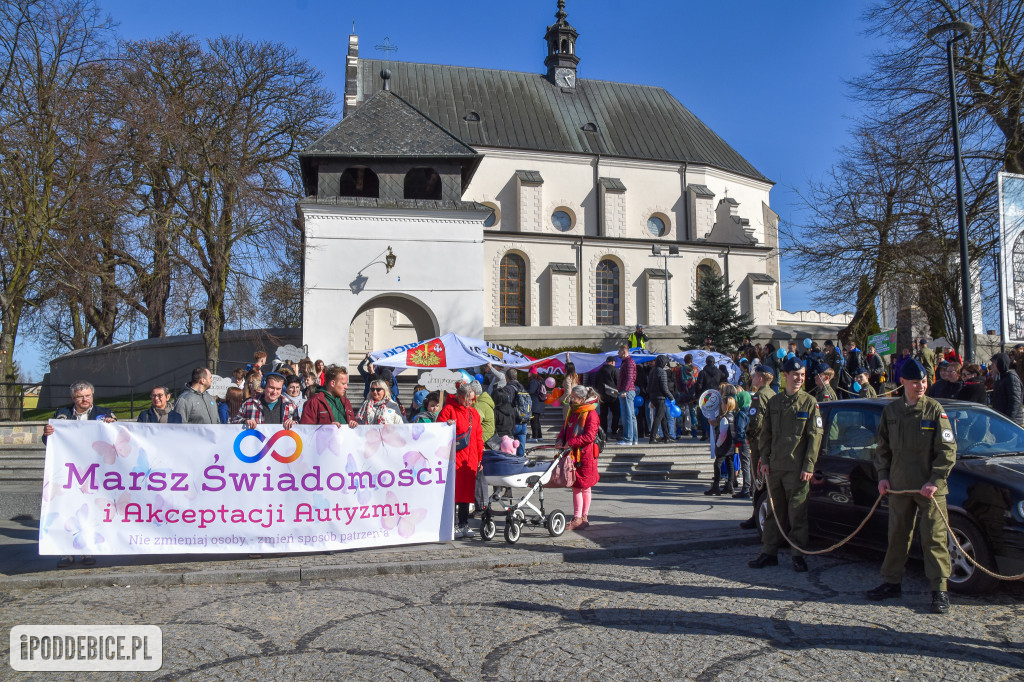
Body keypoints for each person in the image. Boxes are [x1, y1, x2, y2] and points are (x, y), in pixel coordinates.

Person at [866, 359, 957, 614]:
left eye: (924, 381)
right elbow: (882, 448)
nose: (921, 386)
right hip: (899, 487)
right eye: (915, 382)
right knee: (897, 536)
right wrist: (883, 476)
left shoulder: (935, 410)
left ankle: (939, 590)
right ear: (903, 383)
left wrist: (936, 480)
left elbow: (947, 450)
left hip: (929, 489)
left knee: (934, 539)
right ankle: (891, 582)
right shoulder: (891, 412)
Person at [748, 357, 822, 573]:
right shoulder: (775, 402)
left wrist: (809, 466)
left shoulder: (809, 402)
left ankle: (798, 555)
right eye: (795, 375)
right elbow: (766, 434)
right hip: (776, 468)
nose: (799, 379)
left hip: (797, 470)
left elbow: (815, 436)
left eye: (802, 375)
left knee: (797, 514)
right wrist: (765, 460)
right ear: (786, 376)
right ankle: (769, 552)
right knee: (773, 512)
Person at [438, 381, 483, 538]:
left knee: (466, 495)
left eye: (471, 399)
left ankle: (464, 524)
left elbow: (478, 437)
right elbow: (438, 429)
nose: (469, 402)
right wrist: (446, 425)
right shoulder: (449, 409)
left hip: (469, 460)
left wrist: (480, 458)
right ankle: (452, 524)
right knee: (454, 493)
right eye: (467, 399)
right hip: (454, 457)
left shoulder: (474, 414)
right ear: (459, 397)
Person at [557, 385, 601, 531]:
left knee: (583, 486)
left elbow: (589, 436)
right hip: (573, 454)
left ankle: (581, 518)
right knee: (577, 486)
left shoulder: (591, 414)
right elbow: (565, 428)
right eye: (571, 397)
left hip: (585, 455)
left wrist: (571, 442)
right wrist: (560, 440)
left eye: (574, 398)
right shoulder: (573, 411)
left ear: (583, 399)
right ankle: (580, 517)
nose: (571, 400)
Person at [233, 373, 299, 429]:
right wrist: (245, 421)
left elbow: (300, 427)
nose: (274, 392)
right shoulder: (249, 404)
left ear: (283, 389)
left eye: (278, 389)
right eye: (271, 388)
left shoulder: (291, 405)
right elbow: (234, 422)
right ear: (264, 386)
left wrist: (294, 423)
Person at [705, 394, 736, 496]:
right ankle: (730, 485)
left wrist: (717, 445)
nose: (721, 405)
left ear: (726, 405)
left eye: (723, 403)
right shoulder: (733, 417)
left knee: (717, 464)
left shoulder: (724, 419)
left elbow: (722, 434)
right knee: (730, 464)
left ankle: (716, 486)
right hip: (731, 445)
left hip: (723, 446)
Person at [989, 353, 1024, 425]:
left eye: (994, 364)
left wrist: (1007, 420)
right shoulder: (1000, 377)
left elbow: (1015, 401)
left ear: (1000, 364)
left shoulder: (1011, 377)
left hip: (1011, 422)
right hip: (1001, 419)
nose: (992, 366)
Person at [695, 356, 722, 441]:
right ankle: (715, 432)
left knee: (704, 414)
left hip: (705, 396)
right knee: (716, 413)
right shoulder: (718, 372)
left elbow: (699, 385)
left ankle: (705, 433)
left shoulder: (702, 372)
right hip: (716, 395)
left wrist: (698, 395)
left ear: (706, 362)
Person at [647, 354, 672, 444]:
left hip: (653, 396)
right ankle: (652, 438)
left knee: (663, 417)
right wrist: (671, 397)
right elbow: (664, 388)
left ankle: (666, 436)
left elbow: (649, 386)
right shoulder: (662, 372)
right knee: (658, 417)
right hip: (660, 397)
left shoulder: (652, 371)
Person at [616, 345, 638, 445]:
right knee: (631, 416)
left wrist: (624, 390)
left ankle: (628, 439)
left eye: (619, 352)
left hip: (627, 391)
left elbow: (629, 378)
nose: (618, 353)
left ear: (624, 352)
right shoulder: (628, 362)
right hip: (629, 390)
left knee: (627, 416)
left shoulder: (628, 362)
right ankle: (634, 439)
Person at [595, 355, 620, 437]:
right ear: (613, 362)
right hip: (613, 396)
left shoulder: (600, 370)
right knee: (616, 413)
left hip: (602, 396)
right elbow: (618, 382)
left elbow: (596, 382)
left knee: (603, 414)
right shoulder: (614, 370)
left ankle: (603, 431)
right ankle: (614, 430)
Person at [733, 390, 752, 498]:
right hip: (750, 440)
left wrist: (738, 440)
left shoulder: (741, 414)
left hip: (743, 442)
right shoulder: (751, 411)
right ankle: (751, 488)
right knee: (750, 465)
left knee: (745, 465)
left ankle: (746, 488)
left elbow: (740, 429)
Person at [471, 380, 496, 447]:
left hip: (483, 436)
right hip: (488, 433)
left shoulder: (479, 405)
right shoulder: (484, 401)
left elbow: (474, 422)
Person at [526, 368, 546, 442]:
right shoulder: (540, 380)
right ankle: (539, 436)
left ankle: (534, 437)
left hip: (535, 403)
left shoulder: (533, 381)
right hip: (540, 403)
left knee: (533, 421)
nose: (528, 374)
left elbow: (531, 391)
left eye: (529, 372)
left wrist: (525, 391)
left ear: (532, 373)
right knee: (537, 421)